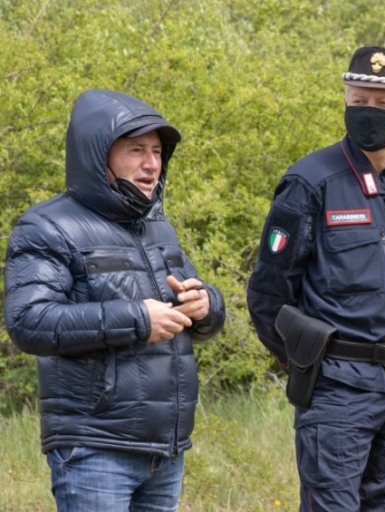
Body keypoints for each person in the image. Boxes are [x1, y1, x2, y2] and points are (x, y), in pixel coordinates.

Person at [4, 89, 226, 511]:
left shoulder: (158, 227)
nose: (151, 164)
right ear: (97, 154)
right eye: (137, 150)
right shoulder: (46, 226)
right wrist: (138, 320)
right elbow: (29, 321)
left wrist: (206, 306)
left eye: (157, 151)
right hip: (94, 448)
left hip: (165, 450)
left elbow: (202, 313)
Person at [247, 46, 385, 511]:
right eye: (360, 101)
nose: (370, 113)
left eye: (384, 104)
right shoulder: (310, 181)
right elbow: (269, 294)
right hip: (338, 392)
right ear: (346, 102)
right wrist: (310, 363)